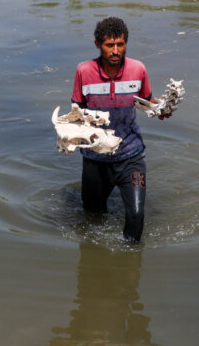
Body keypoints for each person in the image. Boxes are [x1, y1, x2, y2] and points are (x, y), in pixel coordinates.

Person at [70, 17, 167, 243]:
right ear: (98, 45)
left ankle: (130, 263)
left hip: (130, 156)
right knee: (93, 217)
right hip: (95, 158)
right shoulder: (84, 71)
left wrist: (160, 108)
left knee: (135, 215)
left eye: (120, 44)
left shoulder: (138, 69)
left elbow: (147, 102)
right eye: (109, 45)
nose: (115, 51)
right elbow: (77, 111)